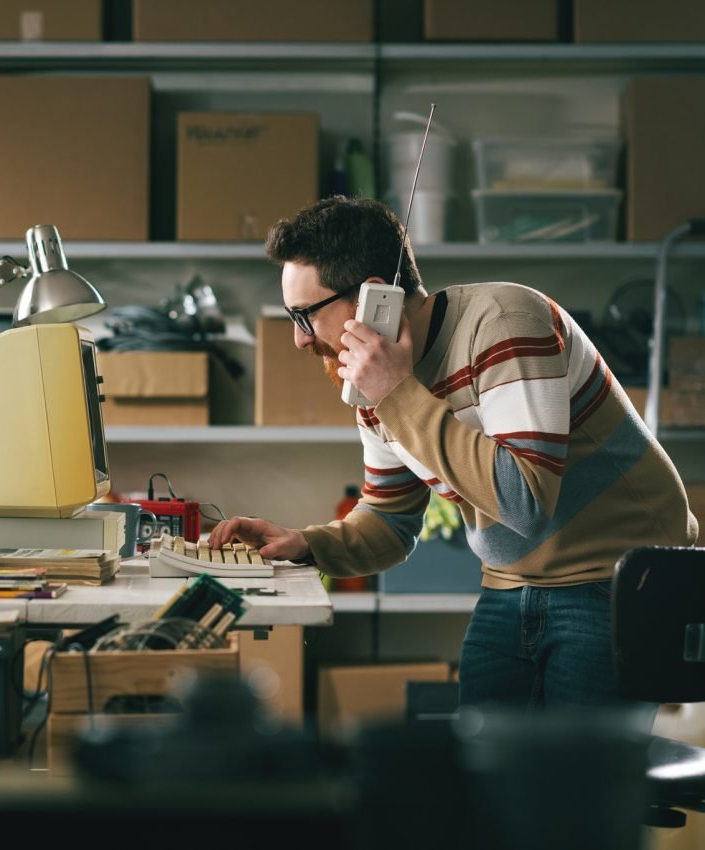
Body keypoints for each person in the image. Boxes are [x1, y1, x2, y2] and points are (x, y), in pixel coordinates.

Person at [208, 196, 699, 710]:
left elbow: (525, 505)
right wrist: (305, 544)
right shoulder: (377, 388)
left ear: (375, 298)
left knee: (569, 782)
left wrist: (399, 393)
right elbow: (391, 523)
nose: (297, 340)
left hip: (620, 581)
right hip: (509, 585)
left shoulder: (508, 324)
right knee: (482, 772)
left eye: (305, 315)